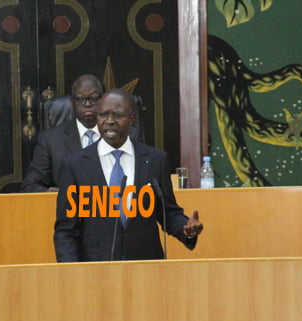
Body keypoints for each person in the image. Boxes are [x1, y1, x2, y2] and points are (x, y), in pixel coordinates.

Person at [54, 88, 203, 261]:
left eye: (117, 115)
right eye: (103, 115)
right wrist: (70, 272)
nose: (109, 121)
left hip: (145, 266)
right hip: (96, 269)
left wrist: (186, 228)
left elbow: (168, 213)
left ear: (132, 118)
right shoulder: (75, 165)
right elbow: (66, 230)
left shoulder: (155, 160)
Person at [21, 74, 142, 192]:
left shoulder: (126, 134)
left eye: (94, 98)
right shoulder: (51, 139)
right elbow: (30, 185)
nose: (87, 104)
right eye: (80, 99)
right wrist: (51, 194)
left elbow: (144, 178)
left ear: (104, 100)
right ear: (72, 103)